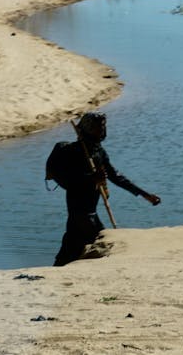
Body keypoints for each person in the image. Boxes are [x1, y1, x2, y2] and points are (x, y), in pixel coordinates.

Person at [47, 111, 161, 266]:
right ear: (87, 128)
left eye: (102, 126)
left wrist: (145, 195)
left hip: (88, 210)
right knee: (101, 238)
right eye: (96, 127)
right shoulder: (73, 151)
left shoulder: (97, 151)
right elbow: (71, 180)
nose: (101, 130)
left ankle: (56, 272)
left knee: (71, 246)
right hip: (79, 210)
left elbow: (115, 176)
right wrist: (91, 178)